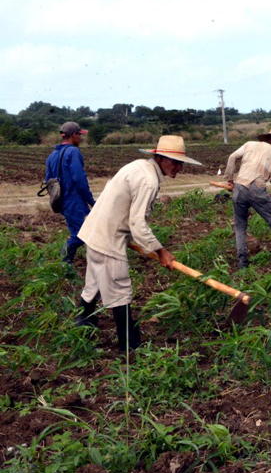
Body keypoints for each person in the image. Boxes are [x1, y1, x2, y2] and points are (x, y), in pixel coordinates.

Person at [76, 135, 201, 351]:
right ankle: (129, 347)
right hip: (108, 242)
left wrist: (148, 246)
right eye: (175, 162)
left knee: (93, 288)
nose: (179, 168)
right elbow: (137, 223)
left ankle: (79, 336)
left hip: (95, 235)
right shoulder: (148, 181)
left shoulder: (138, 167)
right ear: (160, 158)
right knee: (120, 291)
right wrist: (161, 251)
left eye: (181, 163)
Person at [225, 127, 271, 268]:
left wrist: (230, 180)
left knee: (240, 225)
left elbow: (232, 157)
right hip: (257, 188)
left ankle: (242, 260)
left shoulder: (249, 144)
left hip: (239, 187)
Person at [44, 122, 95, 264]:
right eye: (79, 135)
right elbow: (79, 179)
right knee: (84, 234)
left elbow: (48, 181)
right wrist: (91, 201)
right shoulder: (73, 152)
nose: (81, 138)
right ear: (73, 135)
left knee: (78, 232)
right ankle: (64, 262)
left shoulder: (52, 156)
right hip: (74, 201)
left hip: (62, 202)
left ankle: (67, 264)